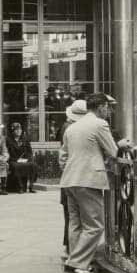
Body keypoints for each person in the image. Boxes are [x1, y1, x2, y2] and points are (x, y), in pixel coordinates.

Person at [59, 92, 133, 273]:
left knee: (75, 223)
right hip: (88, 180)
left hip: (69, 179)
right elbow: (113, 151)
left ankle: (75, 261)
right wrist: (122, 144)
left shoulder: (72, 127)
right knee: (95, 225)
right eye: (107, 108)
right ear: (101, 107)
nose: (109, 111)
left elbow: (64, 156)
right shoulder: (100, 124)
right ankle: (76, 263)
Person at [59, 99, 87, 258]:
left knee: (72, 217)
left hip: (69, 178)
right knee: (73, 218)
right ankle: (71, 250)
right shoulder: (70, 129)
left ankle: (70, 248)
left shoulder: (67, 127)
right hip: (74, 179)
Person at [6, 121, 38, 193]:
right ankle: (20, 186)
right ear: (13, 131)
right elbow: (6, 153)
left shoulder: (25, 140)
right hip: (13, 160)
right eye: (16, 130)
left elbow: (30, 151)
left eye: (20, 129)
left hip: (24, 160)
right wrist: (15, 160)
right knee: (16, 166)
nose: (19, 131)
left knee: (33, 165)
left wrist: (28, 158)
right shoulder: (8, 140)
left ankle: (31, 186)